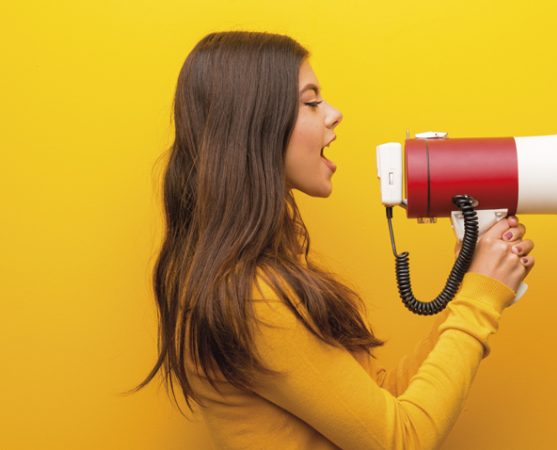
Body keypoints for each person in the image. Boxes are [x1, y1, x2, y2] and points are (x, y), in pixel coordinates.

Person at [134, 31, 535, 450]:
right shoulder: (254, 296)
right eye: (311, 102)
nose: (334, 113)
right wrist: (480, 299)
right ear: (255, 127)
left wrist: (467, 290)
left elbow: (381, 406)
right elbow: (401, 439)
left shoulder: (256, 278)